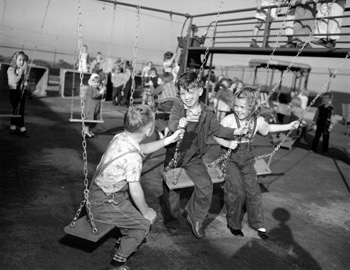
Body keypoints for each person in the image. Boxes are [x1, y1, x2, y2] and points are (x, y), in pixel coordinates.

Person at [88, 105, 184, 270]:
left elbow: (143, 149)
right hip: (105, 201)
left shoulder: (120, 138)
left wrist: (169, 140)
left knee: (133, 219)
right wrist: (146, 211)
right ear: (149, 131)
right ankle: (117, 263)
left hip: (102, 193)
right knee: (142, 226)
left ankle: (124, 242)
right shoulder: (133, 158)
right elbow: (135, 189)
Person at [161, 71, 241, 239]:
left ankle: (195, 216)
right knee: (171, 189)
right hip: (175, 154)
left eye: (190, 91)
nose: (186, 96)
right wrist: (179, 124)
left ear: (200, 91)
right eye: (182, 92)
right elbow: (173, 122)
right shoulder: (178, 106)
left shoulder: (208, 113)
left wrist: (236, 131)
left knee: (206, 186)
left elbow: (218, 130)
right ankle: (172, 220)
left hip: (193, 158)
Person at [213, 87, 299, 239]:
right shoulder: (229, 120)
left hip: (246, 158)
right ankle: (234, 223)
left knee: (254, 192)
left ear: (251, 107)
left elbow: (269, 128)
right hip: (229, 158)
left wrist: (288, 126)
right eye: (236, 106)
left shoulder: (256, 121)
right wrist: (227, 144)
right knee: (238, 191)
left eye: (242, 107)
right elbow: (216, 135)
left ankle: (258, 223)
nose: (238, 110)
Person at [7, 51, 30, 138]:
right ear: (15, 59)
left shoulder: (22, 70)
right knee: (17, 110)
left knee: (19, 110)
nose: (22, 62)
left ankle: (13, 127)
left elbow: (24, 81)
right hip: (14, 93)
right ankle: (22, 128)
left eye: (23, 60)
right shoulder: (10, 69)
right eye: (20, 59)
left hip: (21, 92)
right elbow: (14, 81)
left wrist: (26, 82)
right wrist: (20, 74)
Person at [150, 72, 179, 138]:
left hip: (164, 106)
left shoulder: (162, 86)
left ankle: (163, 127)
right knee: (168, 117)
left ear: (163, 80)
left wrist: (151, 85)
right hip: (174, 107)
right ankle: (168, 128)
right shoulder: (175, 87)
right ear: (172, 80)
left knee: (155, 116)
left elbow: (153, 92)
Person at [83, 73, 106, 138]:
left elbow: (102, 97)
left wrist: (103, 92)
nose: (96, 84)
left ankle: (90, 131)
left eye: (97, 83)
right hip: (90, 108)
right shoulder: (89, 88)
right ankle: (86, 131)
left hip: (96, 108)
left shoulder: (98, 89)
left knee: (94, 120)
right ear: (90, 81)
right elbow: (94, 96)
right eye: (94, 82)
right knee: (88, 120)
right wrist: (100, 93)